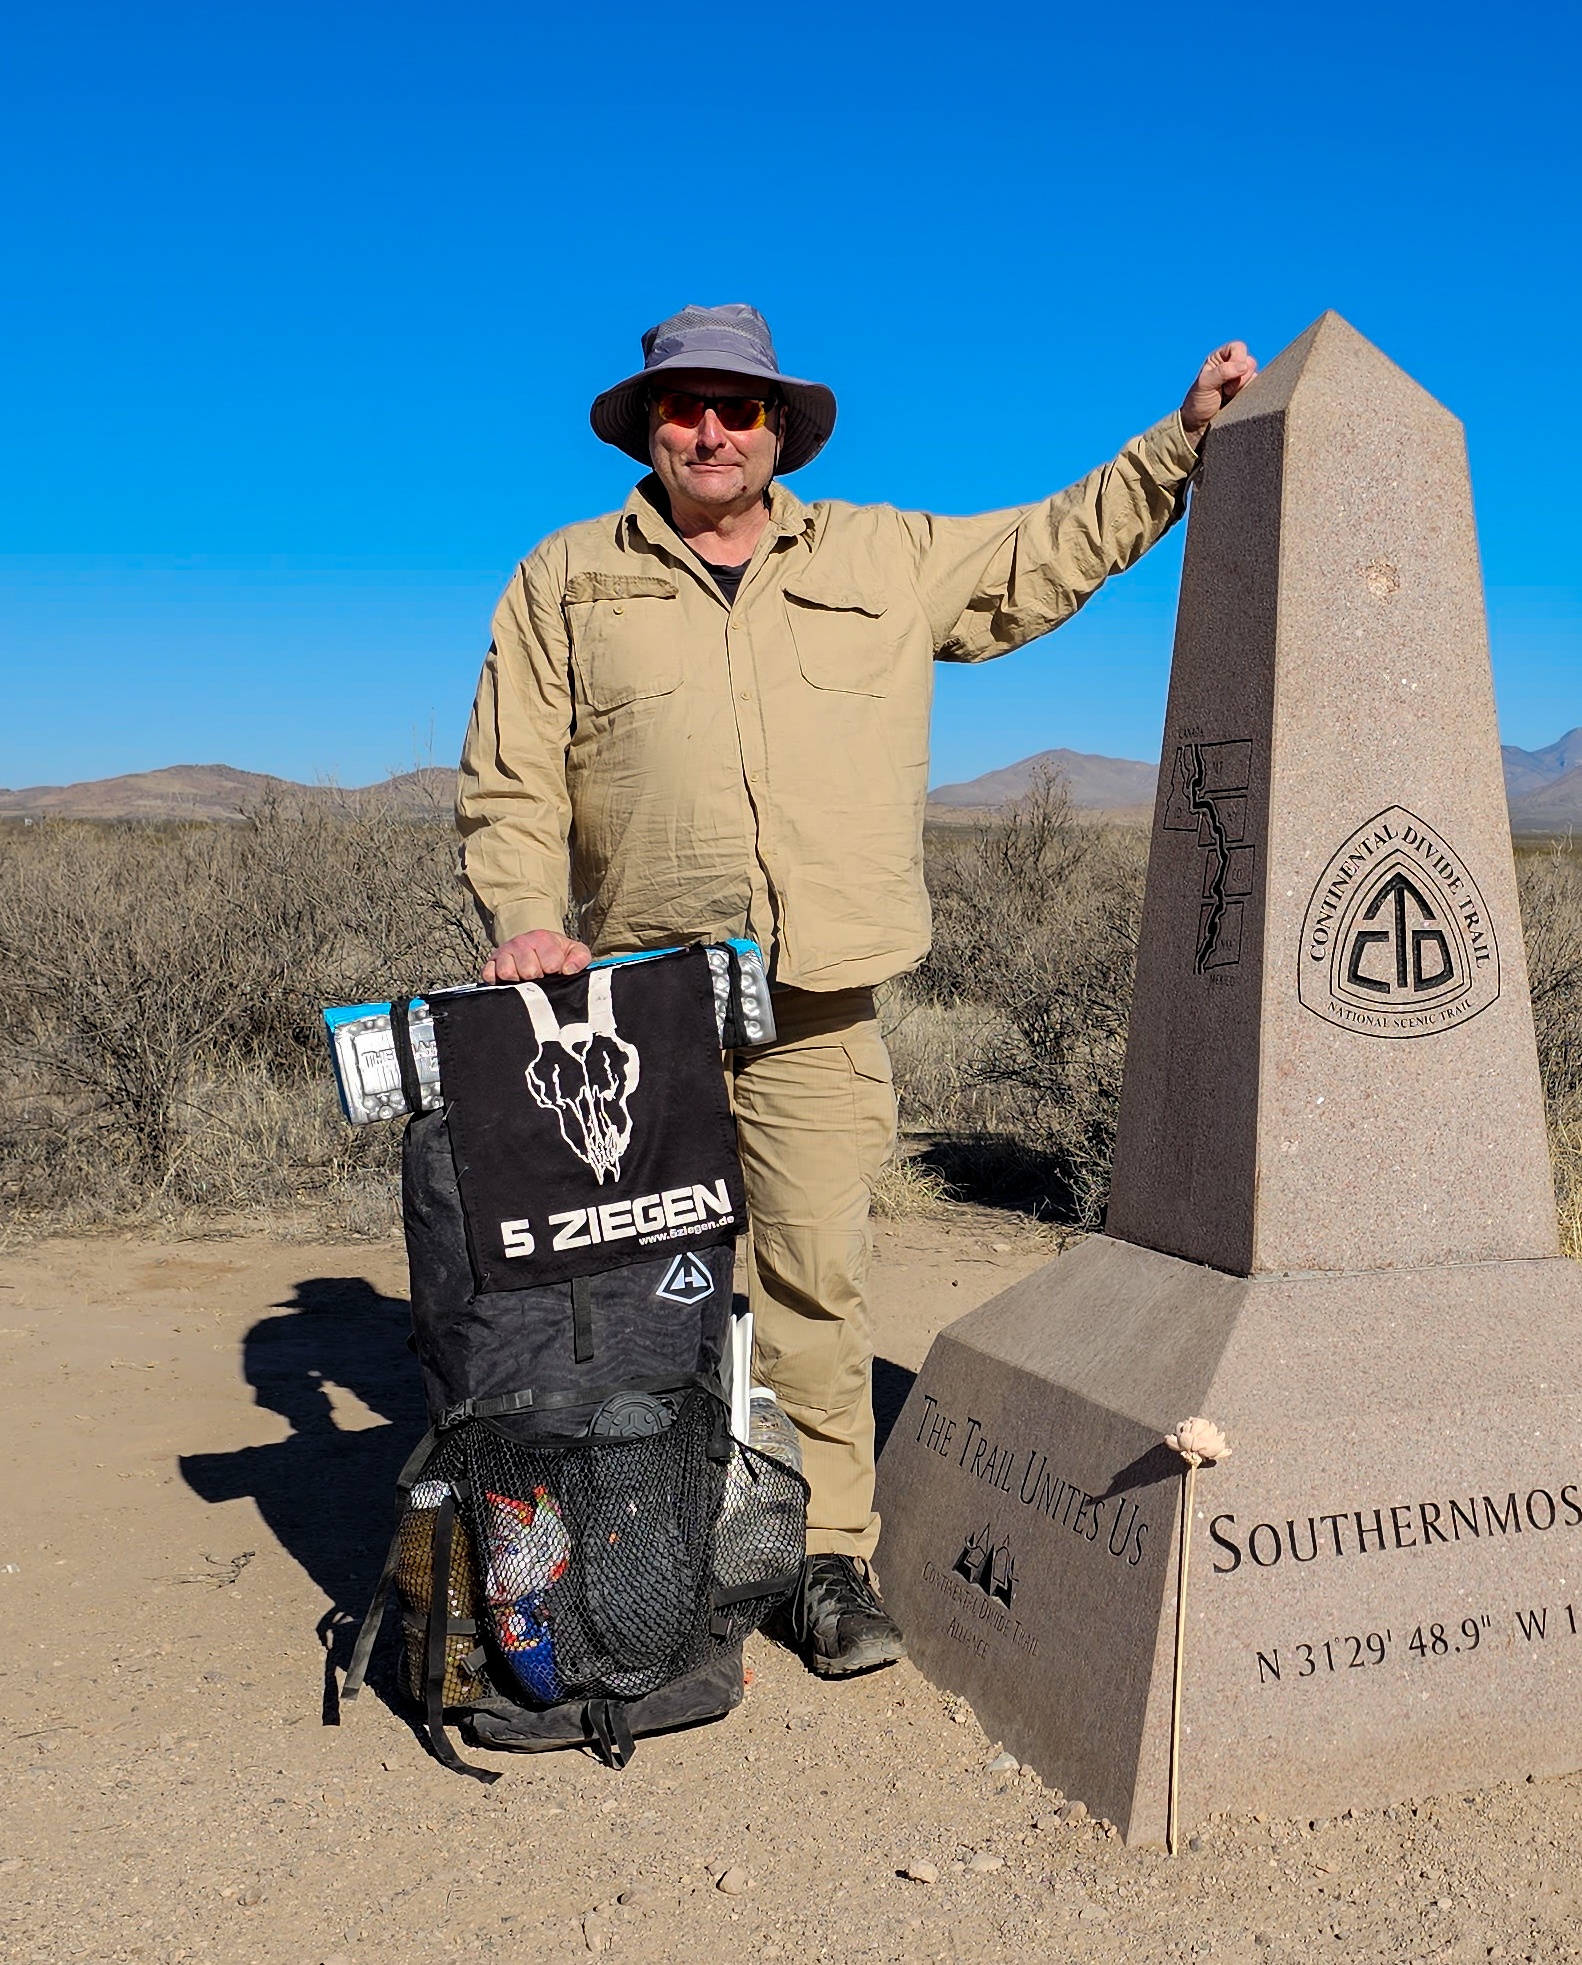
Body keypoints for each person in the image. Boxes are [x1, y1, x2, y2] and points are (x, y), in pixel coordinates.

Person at [456, 303, 1257, 1676]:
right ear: (647, 429)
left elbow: (1045, 549)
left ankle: (821, 1554)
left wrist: (1176, 443)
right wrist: (529, 920)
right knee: (632, 1294)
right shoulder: (567, 578)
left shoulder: (883, 555)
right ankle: (641, 1546)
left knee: (814, 1282)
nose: (713, 430)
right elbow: (511, 774)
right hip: (636, 1015)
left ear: (780, 430)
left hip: (815, 1000)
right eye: (686, 407)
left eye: (741, 408)